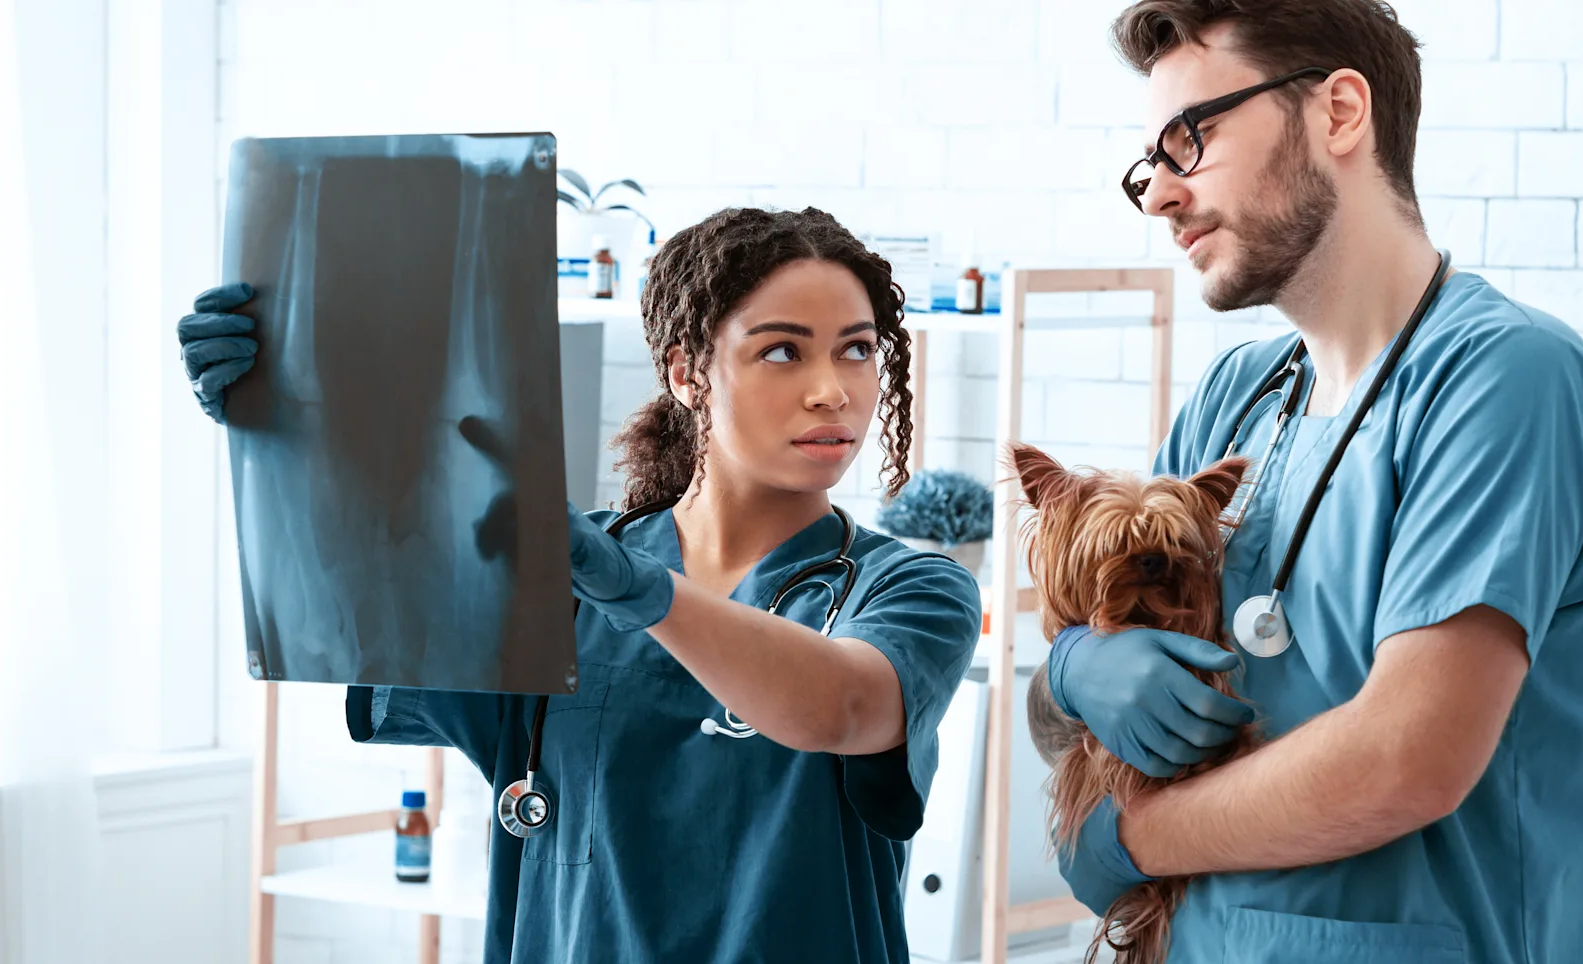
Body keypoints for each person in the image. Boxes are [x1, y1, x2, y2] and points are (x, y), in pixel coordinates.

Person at [178, 206, 982, 963]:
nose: (833, 389)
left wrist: (636, 590)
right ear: (686, 373)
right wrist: (284, 436)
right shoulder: (554, 573)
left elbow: (842, 705)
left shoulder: (910, 588)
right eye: (782, 350)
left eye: (858, 348)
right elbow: (357, 603)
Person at [1030, 2, 1583, 962]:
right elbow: (1096, 673)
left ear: (1340, 113)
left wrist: (1126, 838)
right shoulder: (1235, 399)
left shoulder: (1504, 382)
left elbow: (1407, 760)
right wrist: (1073, 670)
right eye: (1148, 161)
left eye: (1191, 139)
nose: (1158, 194)